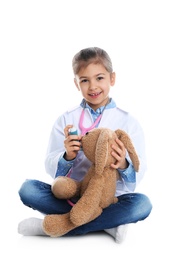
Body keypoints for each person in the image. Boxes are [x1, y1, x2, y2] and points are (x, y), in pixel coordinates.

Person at [18, 47, 152, 243]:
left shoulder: (129, 122)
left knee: (142, 204)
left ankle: (49, 227)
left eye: (99, 78)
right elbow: (50, 166)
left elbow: (139, 169)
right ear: (76, 83)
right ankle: (108, 225)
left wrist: (123, 163)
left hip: (109, 200)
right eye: (84, 80)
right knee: (27, 189)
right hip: (75, 195)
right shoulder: (66, 120)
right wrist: (67, 157)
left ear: (112, 78)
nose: (93, 87)